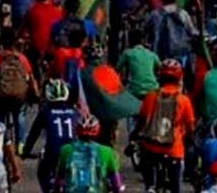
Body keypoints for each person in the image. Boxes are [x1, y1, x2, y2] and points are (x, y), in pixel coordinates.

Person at [131, 59, 195, 193]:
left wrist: (134, 135)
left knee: (149, 180)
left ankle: (150, 187)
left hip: (151, 147)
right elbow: (190, 126)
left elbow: (142, 120)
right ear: (179, 77)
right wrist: (189, 137)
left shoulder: (151, 96)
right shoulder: (184, 100)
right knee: (175, 187)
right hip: (174, 149)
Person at [53, 114, 123, 192]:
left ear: (77, 130)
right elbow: (117, 184)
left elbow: (58, 180)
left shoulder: (66, 150)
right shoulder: (107, 151)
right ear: (97, 130)